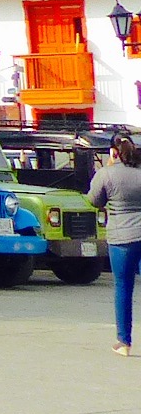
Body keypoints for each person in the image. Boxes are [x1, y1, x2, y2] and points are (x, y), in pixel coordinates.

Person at [88, 132, 141, 355]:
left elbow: (93, 200)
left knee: (123, 287)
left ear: (113, 151)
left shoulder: (106, 174)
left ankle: (124, 342)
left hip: (121, 239)